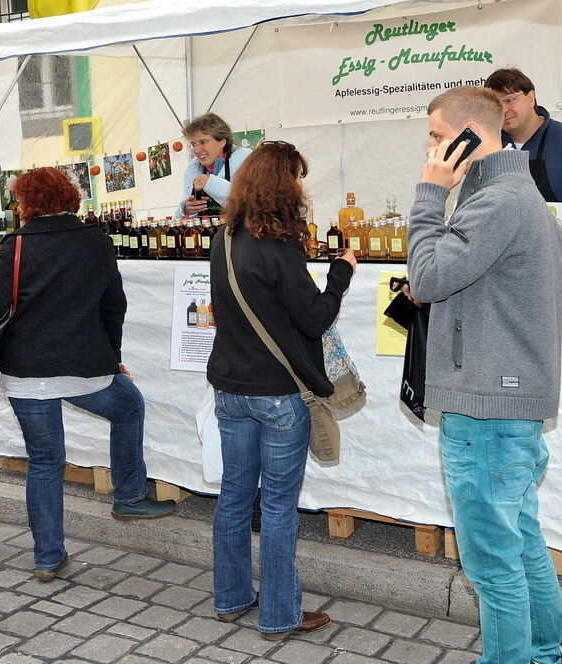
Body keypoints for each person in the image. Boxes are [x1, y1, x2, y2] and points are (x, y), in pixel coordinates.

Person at [407, 86, 562, 664]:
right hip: (504, 407)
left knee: (493, 566)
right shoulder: (508, 196)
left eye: (437, 136)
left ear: (471, 136)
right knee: (520, 546)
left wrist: (429, 195)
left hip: (487, 412)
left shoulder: (497, 202)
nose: (430, 149)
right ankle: (545, 654)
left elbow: (425, 280)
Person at [0, 167, 177, 582]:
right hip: (86, 366)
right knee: (129, 408)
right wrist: (113, 356)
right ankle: (128, 494)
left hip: (27, 373)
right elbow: (114, 307)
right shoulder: (96, 242)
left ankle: (48, 558)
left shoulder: (13, 246)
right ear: (69, 197)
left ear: (26, 203)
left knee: (45, 461)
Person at [206, 142, 356, 640]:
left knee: (233, 497)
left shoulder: (222, 237)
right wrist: (340, 275)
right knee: (275, 506)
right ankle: (278, 614)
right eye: (298, 179)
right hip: (275, 394)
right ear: (284, 187)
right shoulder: (280, 245)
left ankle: (230, 599)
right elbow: (313, 318)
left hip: (229, 387)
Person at [485, 67, 562, 213]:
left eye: (510, 100)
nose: (503, 110)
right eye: (495, 104)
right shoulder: (487, 146)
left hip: (555, 235)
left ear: (531, 98)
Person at [176, 113, 251, 219]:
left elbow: (251, 205)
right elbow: (178, 219)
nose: (197, 150)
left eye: (203, 142)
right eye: (193, 144)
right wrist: (186, 210)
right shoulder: (193, 170)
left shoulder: (246, 162)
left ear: (222, 142)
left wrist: (211, 183)